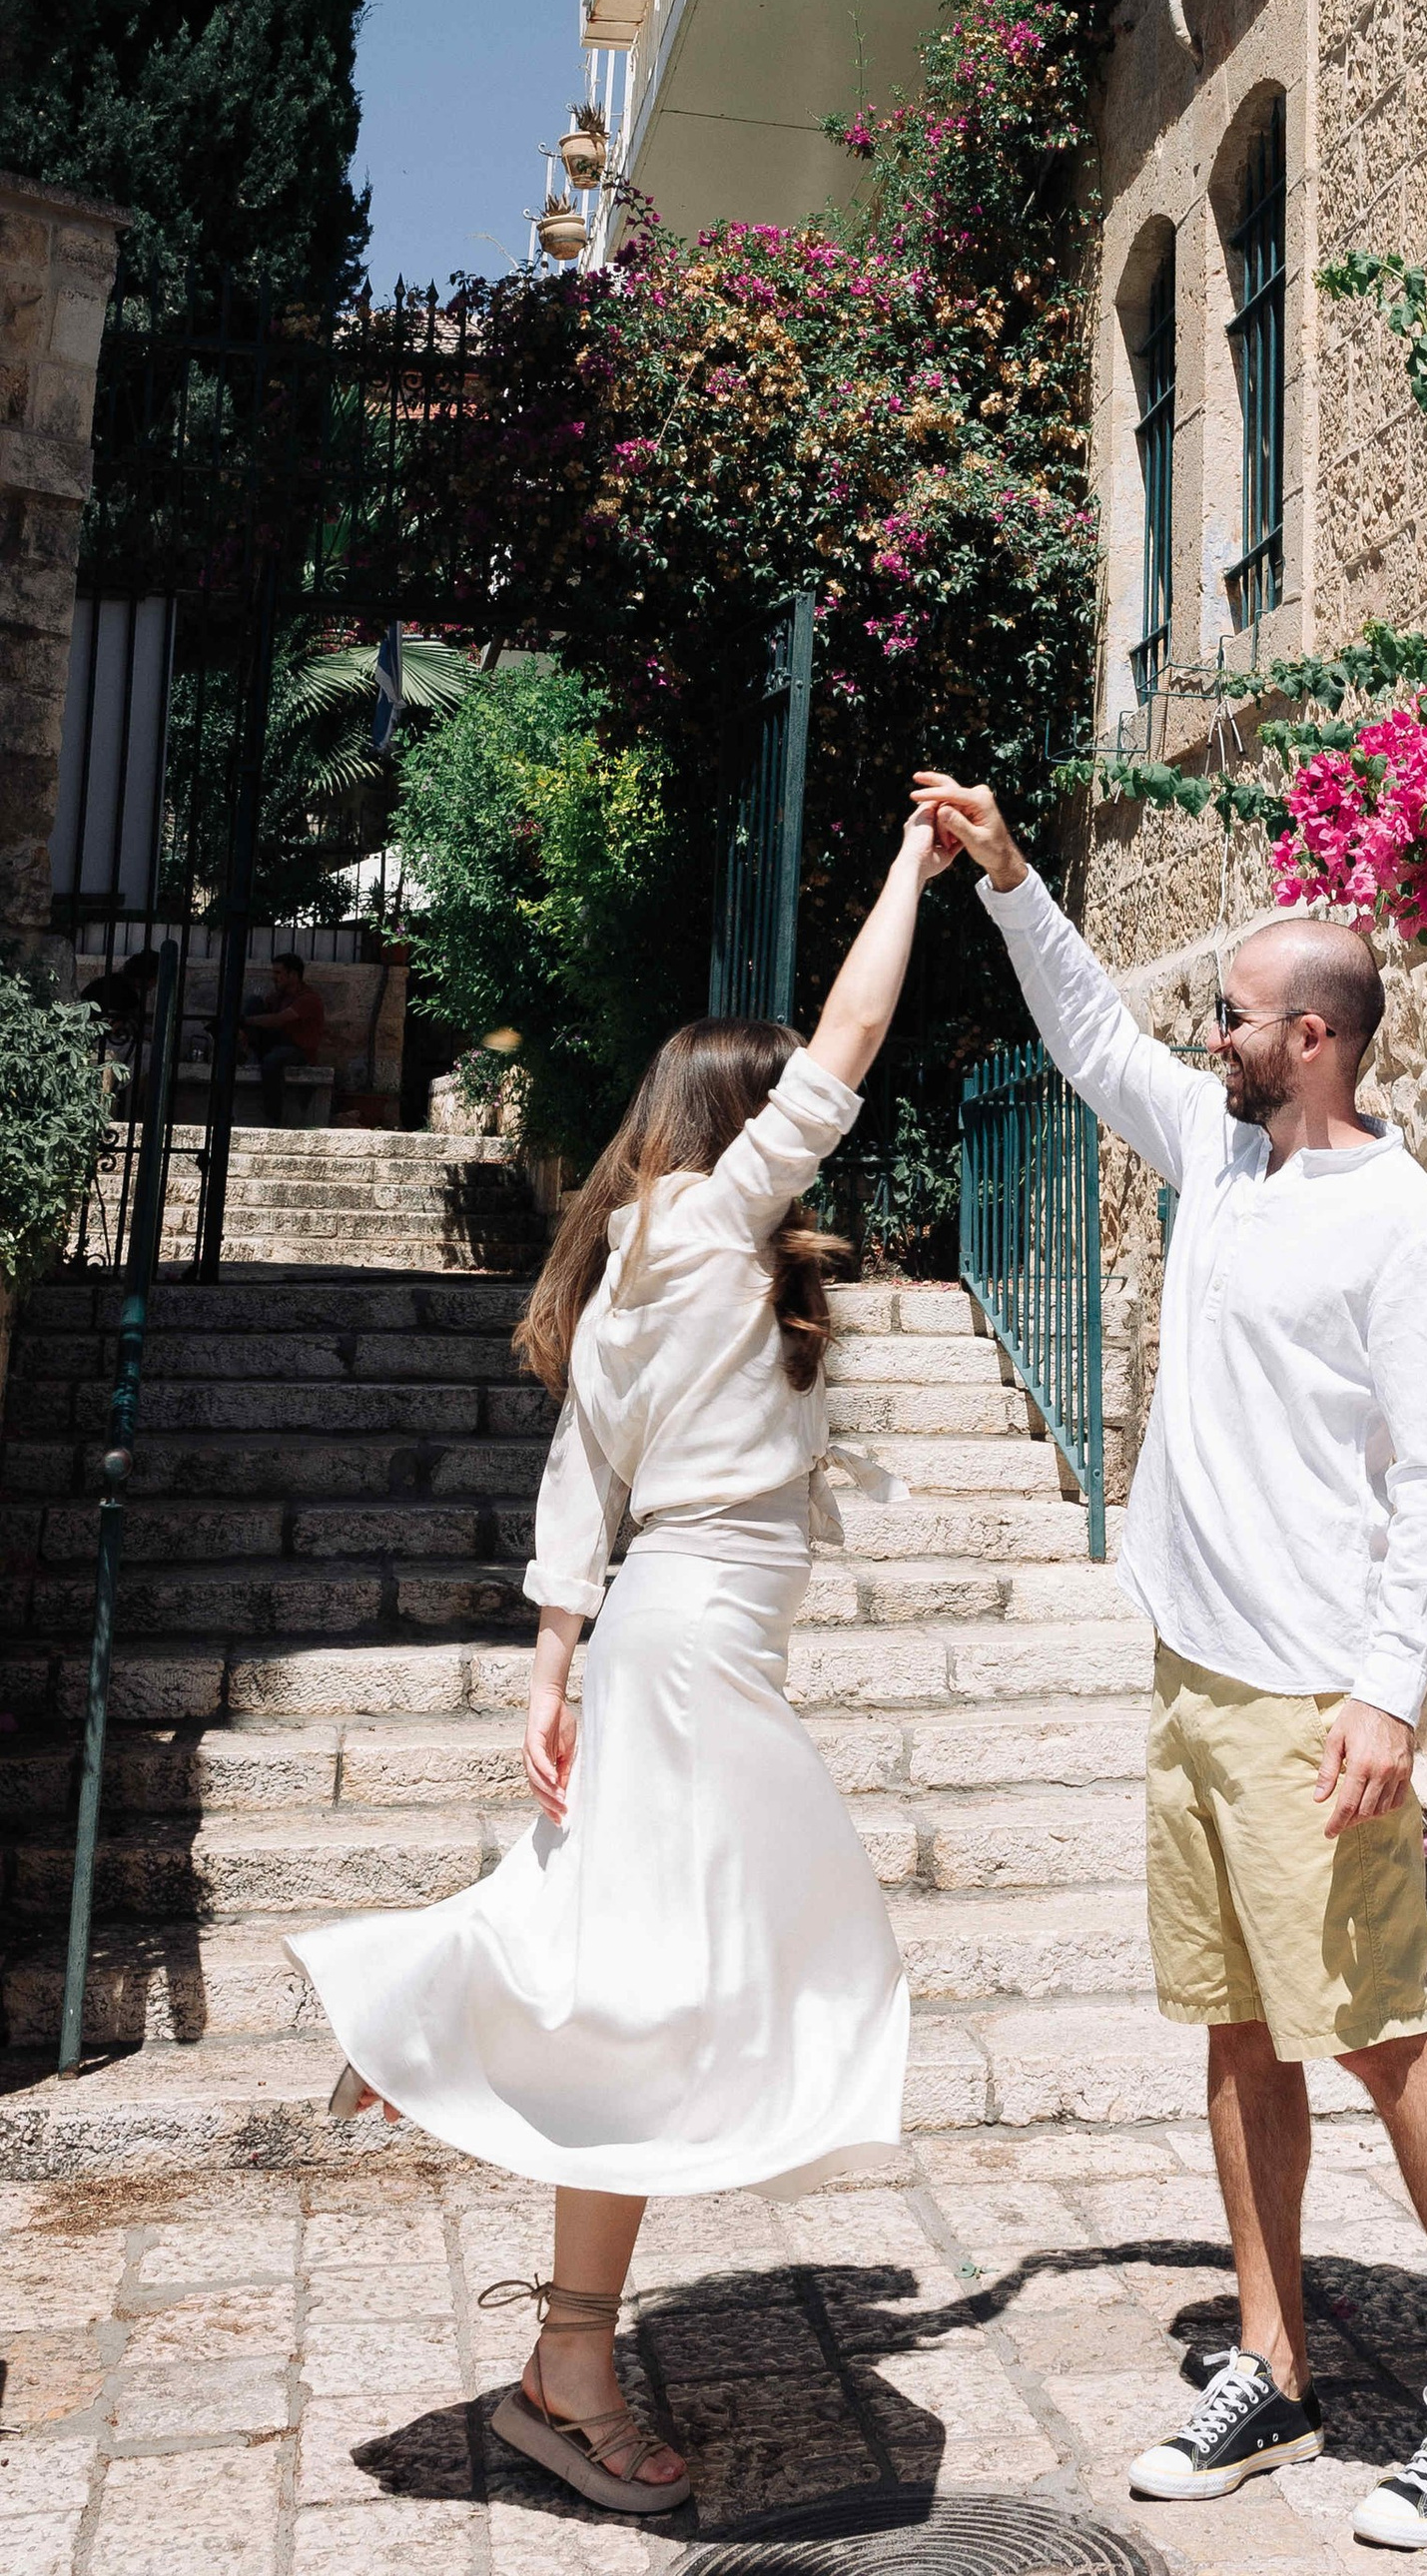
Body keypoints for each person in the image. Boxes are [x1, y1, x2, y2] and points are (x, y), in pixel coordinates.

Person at [914, 771, 1427, 2555]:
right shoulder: (1224, 1153)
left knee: (1381, 2034)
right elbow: (1096, 1033)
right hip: (1196, 1673)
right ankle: (1270, 2361)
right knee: (1240, 2027)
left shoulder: (1400, 1230)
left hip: (1310, 1698)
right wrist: (1012, 879)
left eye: (1241, 1017)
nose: (1213, 1034)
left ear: (1320, 1039)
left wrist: (1389, 1692)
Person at [292, 814, 951, 2520]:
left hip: (672, 1633)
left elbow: (578, 1476)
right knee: (674, 1973)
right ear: (742, 1121)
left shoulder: (634, 1267)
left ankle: (564, 2347)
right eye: (781, 1103)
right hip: (695, 1641)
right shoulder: (706, 1224)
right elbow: (857, 1045)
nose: (806, 1131)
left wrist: (548, 1658)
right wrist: (907, 870)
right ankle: (428, 1989)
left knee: (662, 1987)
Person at [240, 954, 330, 1115]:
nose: (274, 978)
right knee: (254, 1002)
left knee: (272, 1062)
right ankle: (238, 1052)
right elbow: (263, 1017)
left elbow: (279, 1020)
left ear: (293, 975)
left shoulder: (308, 998)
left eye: (278, 973)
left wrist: (245, 1021)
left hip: (298, 1050)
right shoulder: (277, 997)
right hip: (276, 1043)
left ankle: (273, 1117)